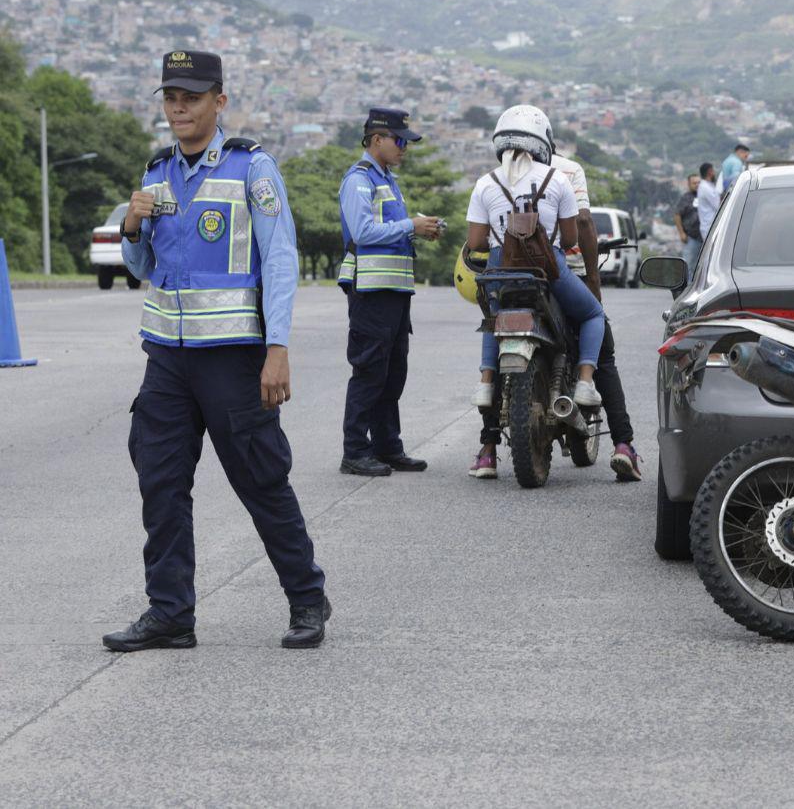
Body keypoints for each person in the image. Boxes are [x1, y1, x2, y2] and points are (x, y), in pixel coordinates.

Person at [104, 50, 329, 651]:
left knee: (261, 479)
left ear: (219, 102)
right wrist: (130, 225)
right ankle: (170, 613)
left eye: (193, 97)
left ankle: (307, 598)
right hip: (168, 361)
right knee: (161, 483)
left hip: (234, 358)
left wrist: (277, 348)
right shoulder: (157, 174)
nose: (179, 107)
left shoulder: (251, 170)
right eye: (171, 97)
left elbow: (280, 259)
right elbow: (143, 266)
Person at [465, 105, 607, 478]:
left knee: (494, 321)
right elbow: (573, 237)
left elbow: (476, 241)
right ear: (543, 143)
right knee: (592, 314)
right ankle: (586, 384)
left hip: (500, 271)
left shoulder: (485, 183)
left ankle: (484, 384)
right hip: (548, 270)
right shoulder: (557, 179)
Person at [336, 108, 442, 477]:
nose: (404, 148)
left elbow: (390, 230)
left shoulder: (387, 180)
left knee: (392, 373)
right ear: (376, 139)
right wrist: (410, 224)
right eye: (399, 141)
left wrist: (418, 231)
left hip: (394, 291)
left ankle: (387, 446)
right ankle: (355, 450)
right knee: (369, 371)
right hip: (371, 291)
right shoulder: (359, 180)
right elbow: (363, 233)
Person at [551, 149, 641, 482]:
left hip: (515, 278)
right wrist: (592, 276)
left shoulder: (501, 172)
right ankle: (623, 446)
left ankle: (488, 447)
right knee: (603, 353)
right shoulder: (568, 170)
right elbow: (584, 221)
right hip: (566, 273)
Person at [673, 173, 702, 280]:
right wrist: (681, 233)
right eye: (694, 183)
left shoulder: (706, 195)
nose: (697, 185)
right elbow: (677, 215)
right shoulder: (685, 198)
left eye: (699, 182)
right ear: (689, 184)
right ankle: (688, 288)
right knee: (689, 265)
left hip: (706, 237)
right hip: (691, 237)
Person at [696, 162, 721, 241]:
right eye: (713, 171)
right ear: (710, 172)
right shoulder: (705, 188)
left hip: (711, 226)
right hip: (709, 227)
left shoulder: (708, 185)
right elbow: (718, 205)